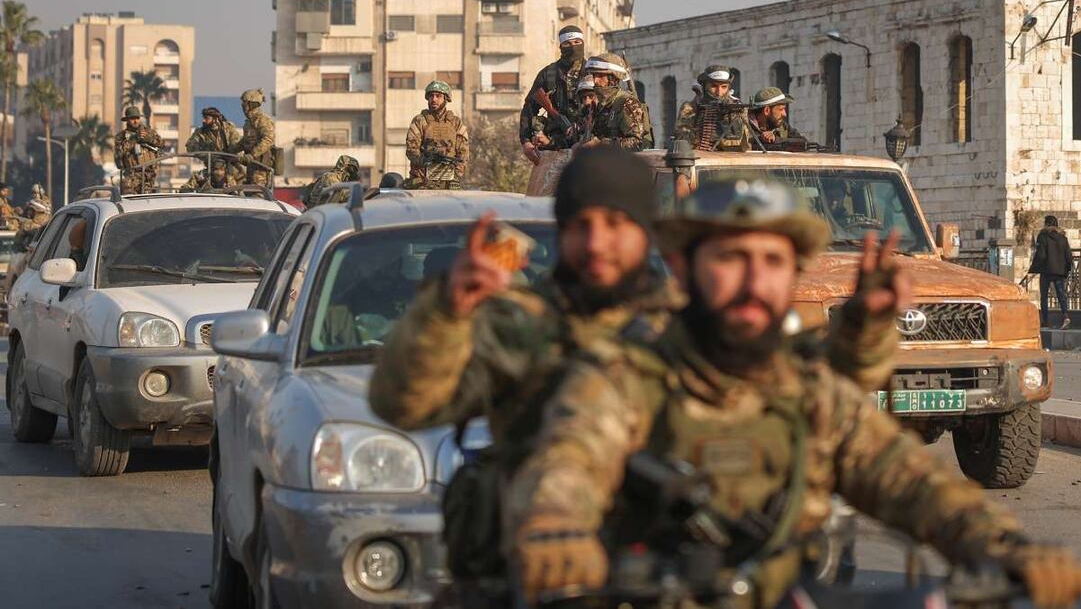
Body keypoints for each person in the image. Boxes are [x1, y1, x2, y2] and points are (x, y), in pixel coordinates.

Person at [507, 178, 1081, 609]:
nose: (756, 282)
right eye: (732, 259)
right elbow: (570, 459)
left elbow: (905, 477)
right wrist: (557, 530)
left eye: (774, 262)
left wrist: (1003, 547)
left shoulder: (810, 392)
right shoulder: (623, 377)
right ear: (682, 266)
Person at [370, 150, 900, 599]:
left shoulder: (690, 318)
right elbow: (404, 404)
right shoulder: (518, 326)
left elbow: (818, 396)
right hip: (539, 579)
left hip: (672, 577)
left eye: (617, 224)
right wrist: (444, 316)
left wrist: (864, 328)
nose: (597, 243)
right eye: (581, 225)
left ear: (645, 230)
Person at [520, 25, 588, 164]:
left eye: (577, 42)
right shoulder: (549, 74)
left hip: (587, 145)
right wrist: (526, 141)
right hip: (554, 146)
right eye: (567, 43)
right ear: (561, 46)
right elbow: (529, 109)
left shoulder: (593, 72)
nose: (573, 46)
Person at [570, 54, 651, 152]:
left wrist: (601, 144)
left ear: (612, 78)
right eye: (594, 75)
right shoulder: (601, 106)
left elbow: (637, 143)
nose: (595, 80)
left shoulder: (626, 103)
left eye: (600, 76)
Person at [404, 80, 469, 190]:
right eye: (431, 96)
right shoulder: (420, 121)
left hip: (449, 181)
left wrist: (456, 174)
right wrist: (425, 160)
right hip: (423, 181)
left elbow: (463, 153)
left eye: (438, 96)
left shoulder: (455, 123)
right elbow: (411, 149)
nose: (434, 99)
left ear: (445, 99)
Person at [674, 64, 748, 151]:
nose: (719, 92)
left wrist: (726, 118)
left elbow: (740, 143)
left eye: (724, 87)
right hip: (700, 158)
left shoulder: (736, 107)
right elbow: (683, 141)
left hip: (730, 158)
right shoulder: (690, 108)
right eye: (714, 86)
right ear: (705, 86)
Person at [1024, 215, 1073, 328]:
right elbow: (1069, 257)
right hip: (1059, 272)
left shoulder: (1043, 236)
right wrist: (1067, 270)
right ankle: (1066, 316)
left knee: (1044, 296)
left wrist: (1034, 268)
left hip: (1046, 271)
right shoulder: (1063, 238)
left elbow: (1041, 255)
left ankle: (1046, 321)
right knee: (1061, 295)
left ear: (1046, 224)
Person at [114, 106, 165, 194]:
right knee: (128, 195)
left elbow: (162, 144)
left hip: (149, 173)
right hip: (132, 174)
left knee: (147, 199)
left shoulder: (149, 132)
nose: (135, 121)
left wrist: (148, 138)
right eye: (132, 118)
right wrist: (134, 139)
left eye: (137, 118)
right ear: (127, 120)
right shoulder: (121, 136)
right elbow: (119, 153)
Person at [231, 89, 276, 188]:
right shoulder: (249, 122)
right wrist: (232, 149)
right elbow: (245, 141)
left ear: (252, 104)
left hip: (261, 167)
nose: (243, 106)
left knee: (257, 193)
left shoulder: (263, 120)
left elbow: (268, 140)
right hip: (251, 165)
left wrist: (252, 155)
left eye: (245, 103)